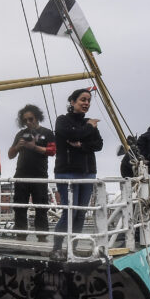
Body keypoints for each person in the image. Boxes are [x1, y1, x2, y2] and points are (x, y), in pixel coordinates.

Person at [52, 88, 103, 259]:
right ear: (73, 102)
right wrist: (89, 127)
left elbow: (98, 144)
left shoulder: (89, 122)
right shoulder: (62, 120)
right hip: (67, 173)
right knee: (70, 212)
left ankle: (72, 247)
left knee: (81, 213)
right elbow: (72, 134)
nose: (86, 103)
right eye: (83, 99)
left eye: (88, 100)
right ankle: (56, 248)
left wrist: (82, 145)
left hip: (88, 173)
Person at [7, 104, 56, 237]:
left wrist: (34, 147)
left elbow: (52, 151)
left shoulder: (47, 133)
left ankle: (42, 237)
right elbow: (10, 155)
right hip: (21, 175)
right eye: (25, 120)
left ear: (37, 117)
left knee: (41, 207)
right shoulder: (20, 134)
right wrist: (18, 146)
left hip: (39, 175)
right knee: (19, 207)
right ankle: (20, 236)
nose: (28, 122)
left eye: (31, 119)